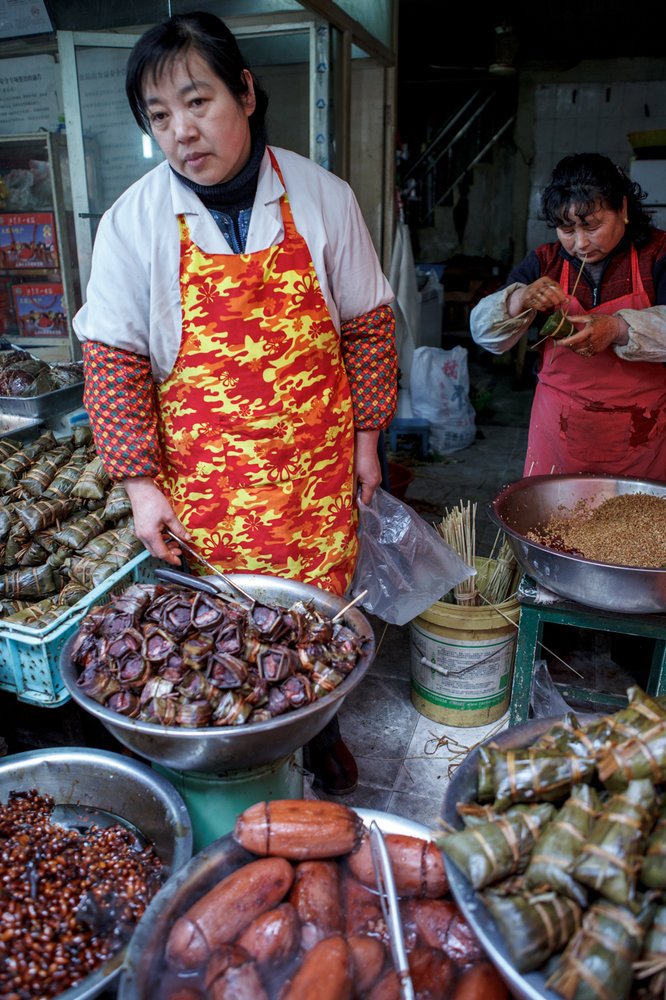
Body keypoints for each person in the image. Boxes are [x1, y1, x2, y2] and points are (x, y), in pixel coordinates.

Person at [73, 11, 398, 794]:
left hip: (314, 478)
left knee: (321, 621)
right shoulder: (132, 223)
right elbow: (112, 365)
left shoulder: (323, 198)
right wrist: (140, 487)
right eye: (159, 117)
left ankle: (321, 730)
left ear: (246, 94)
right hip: (208, 491)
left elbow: (368, 328)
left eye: (198, 101)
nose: (182, 131)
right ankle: (235, 759)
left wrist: (367, 440)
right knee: (214, 635)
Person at [470, 153, 666, 479]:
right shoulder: (545, 262)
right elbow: (487, 337)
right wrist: (520, 299)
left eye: (592, 226)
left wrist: (618, 328)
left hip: (642, 431)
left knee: (634, 523)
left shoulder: (657, 254)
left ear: (623, 210)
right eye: (566, 229)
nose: (580, 243)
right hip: (559, 430)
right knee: (554, 524)